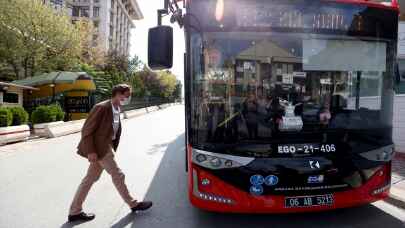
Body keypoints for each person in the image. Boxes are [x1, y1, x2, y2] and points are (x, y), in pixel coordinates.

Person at [67, 84, 152, 223]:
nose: (128, 98)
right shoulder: (102, 107)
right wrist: (91, 151)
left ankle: (74, 212)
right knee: (118, 175)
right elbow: (86, 131)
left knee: (89, 179)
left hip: (106, 146)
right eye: (127, 95)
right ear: (118, 93)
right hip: (101, 148)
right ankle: (133, 204)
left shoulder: (117, 108)